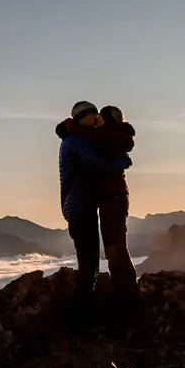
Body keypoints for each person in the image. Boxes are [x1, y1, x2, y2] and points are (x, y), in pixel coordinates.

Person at [56, 101, 136, 324]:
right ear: (85, 116)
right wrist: (123, 162)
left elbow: (112, 142)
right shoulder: (76, 142)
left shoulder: (76, 139)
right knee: (89, 263)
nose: (96, 120)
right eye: (93, 116)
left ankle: (87, 314)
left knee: (92, 261)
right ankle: (81, 316)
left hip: (82, 206)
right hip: (81, 207)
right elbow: (96, 164)